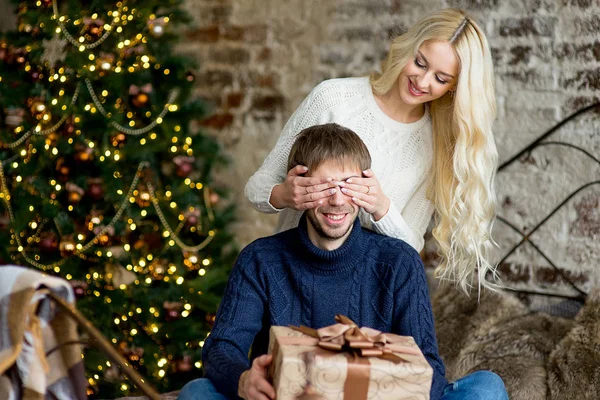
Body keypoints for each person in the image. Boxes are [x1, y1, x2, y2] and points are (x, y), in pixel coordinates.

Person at [178, 124, 507, 400]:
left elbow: (428, 370)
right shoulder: (261, 260)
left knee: (486, 387)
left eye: (348, 186)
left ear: (365, 188)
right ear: (300, 187)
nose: (337, 200)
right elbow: (222, 348)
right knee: (198, 391)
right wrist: (243, 379)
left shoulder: (399, 262)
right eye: (324, 186)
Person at [244, 9, 499, 294]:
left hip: (364, 298)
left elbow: (410, 248)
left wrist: (381, 207)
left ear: (454, 88)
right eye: (419, 63)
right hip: (289, 281)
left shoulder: (434, 146)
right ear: (407, 49)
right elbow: (256, 188)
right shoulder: (332, 98)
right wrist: (282, 195)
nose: (423, 82)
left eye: (441, 79)